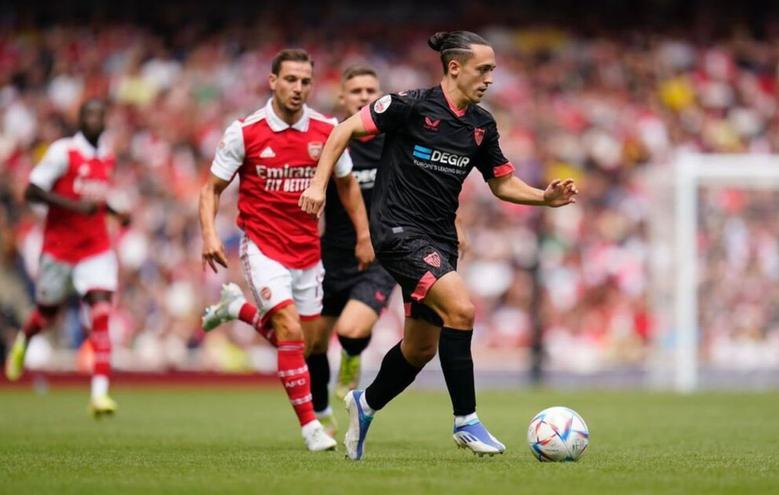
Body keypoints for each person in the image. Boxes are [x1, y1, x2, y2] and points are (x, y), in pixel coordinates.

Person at [299, 31, 578, 460]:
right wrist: (319, 186)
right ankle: (466, 420)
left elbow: (501, 183)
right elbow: (342, 132)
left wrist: (544, 197)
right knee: (462, 309)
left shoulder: (481, 125)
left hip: (440, 240)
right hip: (396, 232)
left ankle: (366, 402)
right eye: (483, 69)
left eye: (493, 71)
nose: (489, 78)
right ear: (454, 67)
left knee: (420, 349)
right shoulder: (408, 105)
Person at [198, 48, 373, 451]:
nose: (298, 88)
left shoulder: (328, 129)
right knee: (290, 331)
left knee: (307, 346)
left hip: (309, 253)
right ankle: (311, 426)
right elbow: (211, 190)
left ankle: (237, 309)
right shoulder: (245, 131)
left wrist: (363, 235)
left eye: (305, 81)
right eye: (290, 80)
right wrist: (209, 235)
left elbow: (347, 184)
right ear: (272, 81)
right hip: (262, 247)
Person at [4, 99, 129, 418]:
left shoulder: (107, 157)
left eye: (100, 114)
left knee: (101, 311)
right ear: (80, 119)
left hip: (96, 248)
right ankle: (24, 339)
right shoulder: (62, 153)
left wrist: (116, 213)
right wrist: (73, 207)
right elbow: (31, 191)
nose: (94, 119)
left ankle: (99, 394)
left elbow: (96, 201)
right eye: (89, 113)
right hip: (59, 250)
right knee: (46, 314)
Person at [311, 65, 396, 417]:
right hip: (331, 255)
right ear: (342, 98)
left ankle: (351, 356)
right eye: (356, 90)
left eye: (371, 90)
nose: (364, 96)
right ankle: (320, 417)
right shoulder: (331, 142)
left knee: (350, 330)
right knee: (312, 344)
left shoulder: (395, 141)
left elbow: (428, 185)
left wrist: (458, 225)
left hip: (380, 254)